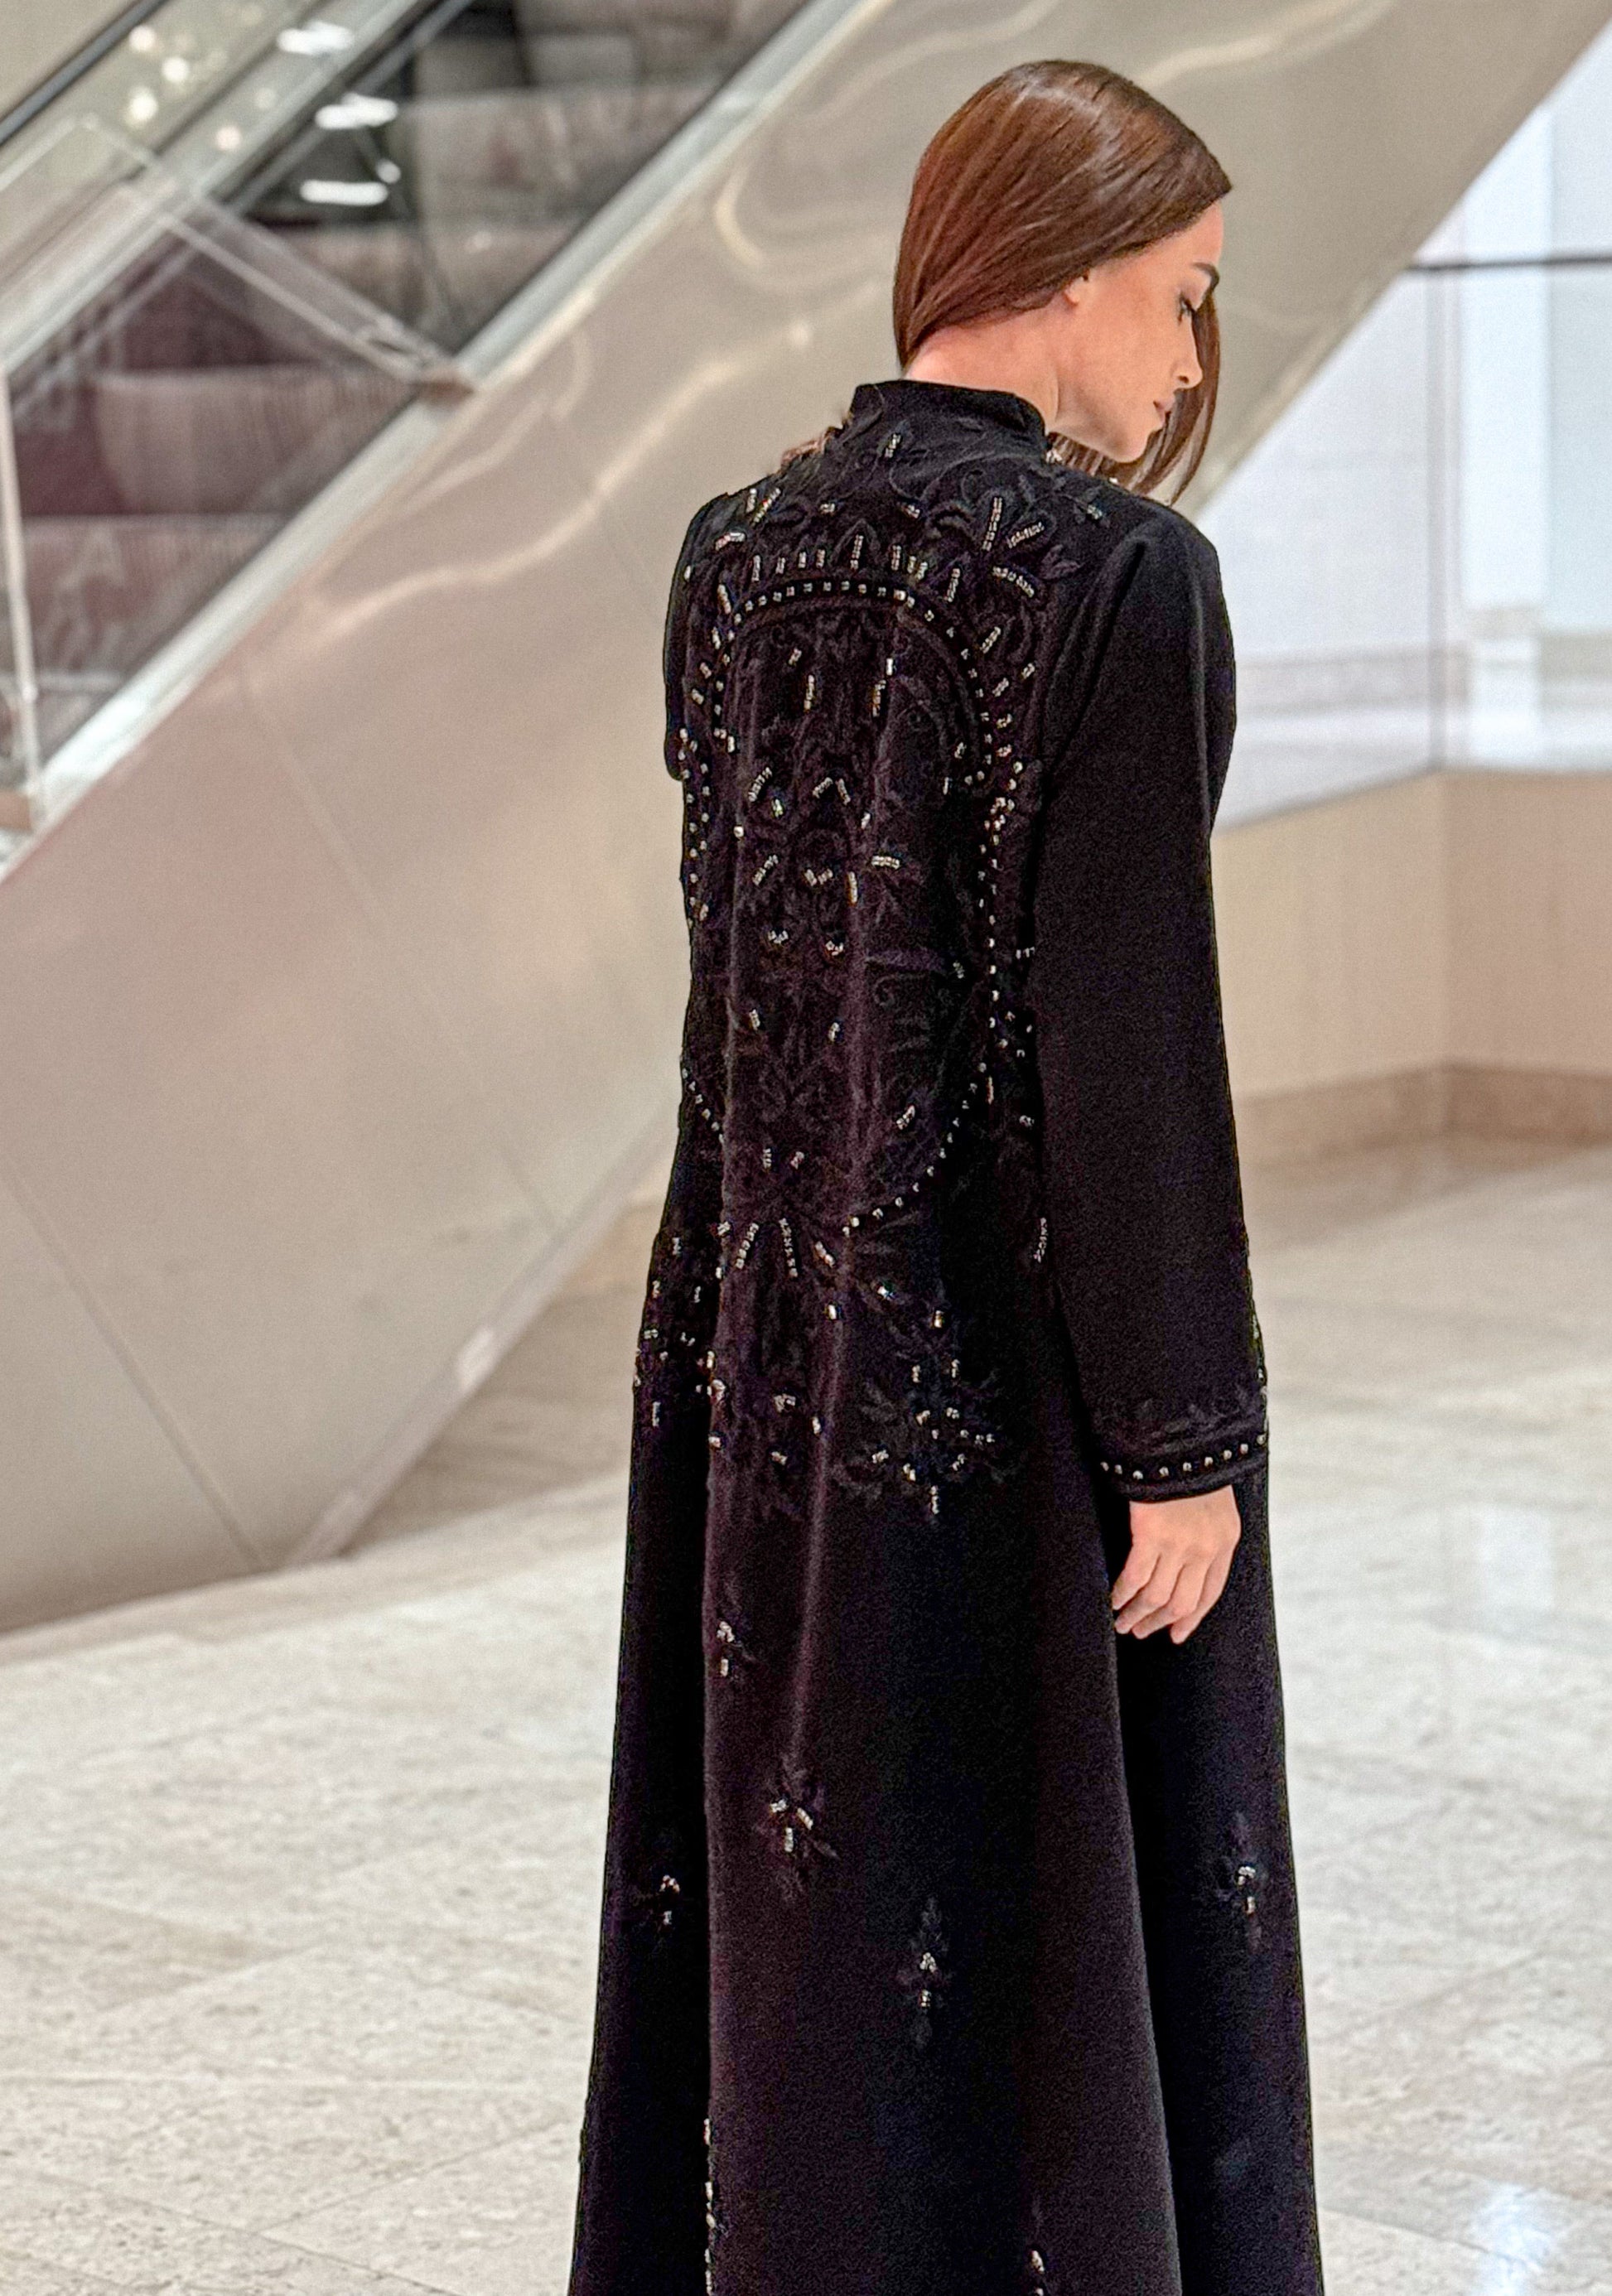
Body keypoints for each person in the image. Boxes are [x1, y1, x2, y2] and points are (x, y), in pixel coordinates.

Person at [568, 56, 1324, 2296]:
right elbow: (1130, 1046)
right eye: (1181, 294)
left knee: (813, 1887)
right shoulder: (1121, 581)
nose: (1184, 358)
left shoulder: (731, 559)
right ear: (1068, 274)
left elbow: (743, 1011)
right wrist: (1179, 1438)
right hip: (1009, 1380)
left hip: (764, 1376)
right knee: (1060, 1911)